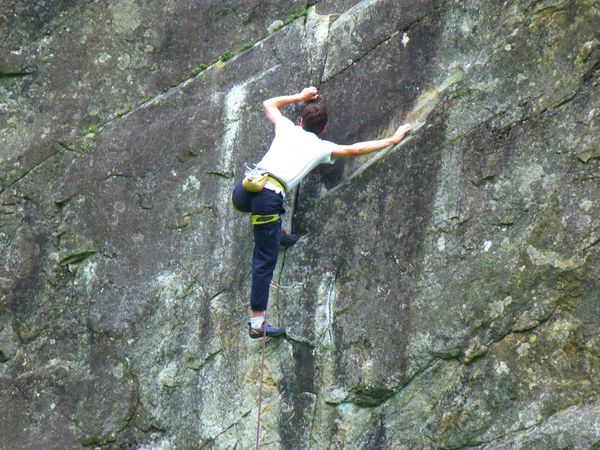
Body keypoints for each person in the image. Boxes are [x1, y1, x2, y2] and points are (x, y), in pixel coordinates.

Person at [231, 86, 411, 338]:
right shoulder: (321, 148)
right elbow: (355, 149)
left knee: (268, 224)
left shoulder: (286, 128)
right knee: (264, 261)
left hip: (244, 192)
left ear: (300, 120)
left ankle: (276, 234)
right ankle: (257, 323)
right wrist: (392, 139)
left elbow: (268, 103)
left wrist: (301, 96)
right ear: (323, 129)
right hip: (267, 201)